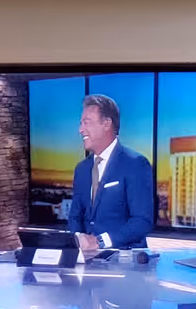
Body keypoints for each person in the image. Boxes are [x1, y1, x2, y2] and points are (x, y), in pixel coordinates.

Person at [65, 93, 155, 256]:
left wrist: (100, 241)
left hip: (125, 262)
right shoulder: (82, 169)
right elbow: (75, 217)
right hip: (87, 260)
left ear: (106, 124)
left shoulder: (135, 163)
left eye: (86, 123)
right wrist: (77, 240)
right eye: (80, 124)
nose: (80, 130)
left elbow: (142, 221)